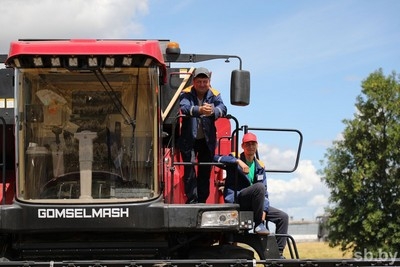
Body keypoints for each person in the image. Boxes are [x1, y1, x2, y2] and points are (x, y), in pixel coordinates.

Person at [214, 132, 289, 256]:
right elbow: (215, 158)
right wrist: (237, 162)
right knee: (258, 188)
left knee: (283, 217)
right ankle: (258, 224)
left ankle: (279, 253)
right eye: (247, 144)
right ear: (242, 146)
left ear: (257, 146)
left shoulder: (260, 165)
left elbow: (265, 190)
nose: (251, 147)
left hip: (256, 203)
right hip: (239, 200)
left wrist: (264, 210)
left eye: (253, 144)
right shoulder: (234, 158)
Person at [179, 67, 227, 204]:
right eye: (199, 81)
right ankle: (192, 201)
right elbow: (184, 107)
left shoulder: (215, 94)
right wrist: (199, 110)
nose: (202, 84)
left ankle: (202, 202)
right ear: (193, 82)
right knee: (190, 171)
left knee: (205, 172)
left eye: (204, 81)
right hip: (189, 140)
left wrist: (213, 111)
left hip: (207, 141)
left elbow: (223, 108)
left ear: (209, 81)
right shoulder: (186, 93)